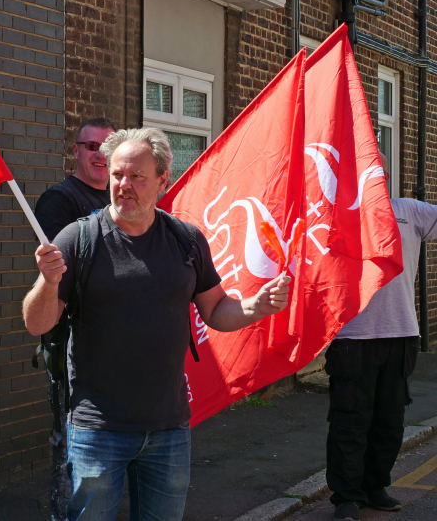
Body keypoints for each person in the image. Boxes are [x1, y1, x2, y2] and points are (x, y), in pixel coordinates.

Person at [23, 127, 291, 521]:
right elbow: (36, 323)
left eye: (136, 176)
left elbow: (215, 309)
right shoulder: (78, 239)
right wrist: (48, 282)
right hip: (98, 430)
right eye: (117, 175)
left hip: (169, 428)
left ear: (163, 180)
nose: (123, 185)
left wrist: (255, 306)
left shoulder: (185, 239)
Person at [325, 153, 437, 521]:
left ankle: (375, 487)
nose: (376, 177)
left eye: (380, 171)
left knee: (390, 421)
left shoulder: (411, 211)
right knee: (350, 421)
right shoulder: (336, 214)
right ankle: (346, 497)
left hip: (401, 332)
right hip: (353, 336)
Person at [34, 117, 116, 521]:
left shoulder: (123, 197)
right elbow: (64, 276)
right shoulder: (61, 201)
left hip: (119, 347)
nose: (100, 155)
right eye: (90, 147)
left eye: (107, 146)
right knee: (74, 448)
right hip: (72, 346)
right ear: (75, 151)